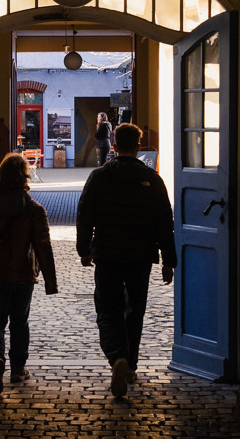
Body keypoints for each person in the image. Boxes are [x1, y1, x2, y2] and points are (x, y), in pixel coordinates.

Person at [76, 122, 177, 397]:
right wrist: (169, 260)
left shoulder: (100, 176)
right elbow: (164, 221)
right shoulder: (152, 179)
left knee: (108, 309)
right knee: (135, 310)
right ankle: (130, 364)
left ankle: (117, 357)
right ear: (139, 145)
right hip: (141, 256)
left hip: (108, 254)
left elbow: (85, 214)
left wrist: (84, 249)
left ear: (114, 145)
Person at [0, 152, 58, 396]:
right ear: (23, 176)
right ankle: (18, 368)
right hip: (23, 275)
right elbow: (43, 246)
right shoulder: (34, 209)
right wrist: (50, 280)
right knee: (20, 322)